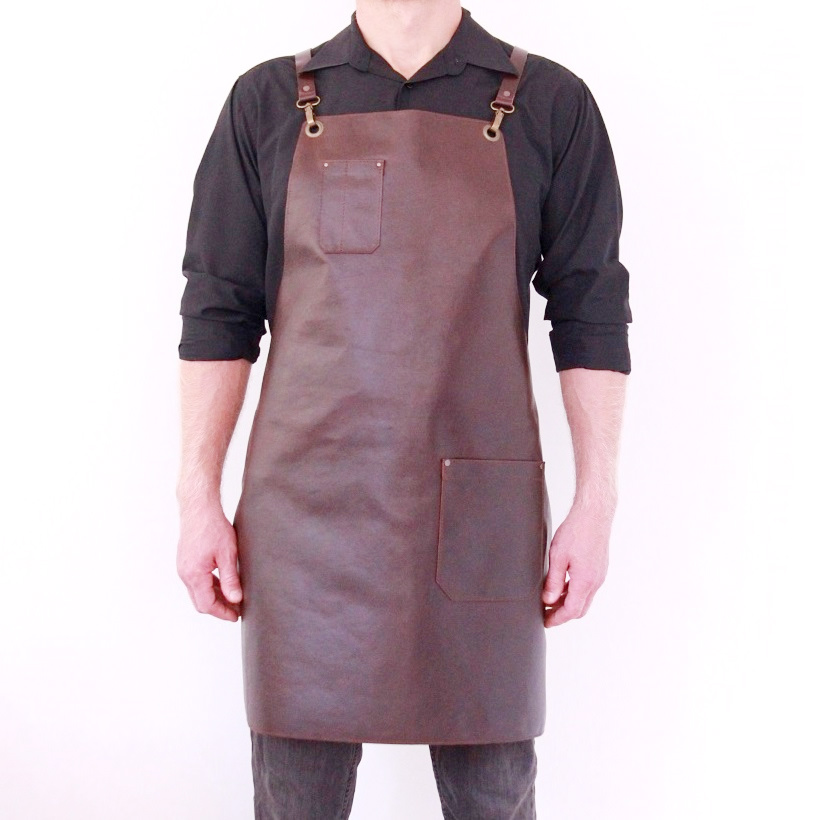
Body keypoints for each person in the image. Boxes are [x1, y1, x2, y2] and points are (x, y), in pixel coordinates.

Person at [176, 1, 631, 816]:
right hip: (303, 525)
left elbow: (591, 314)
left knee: (495, 796)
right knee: (295, 800)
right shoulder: (266, 103)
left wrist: (596, 506)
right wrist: (196, 499)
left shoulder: (549, 103)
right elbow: (218, 312)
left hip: (479, 520)